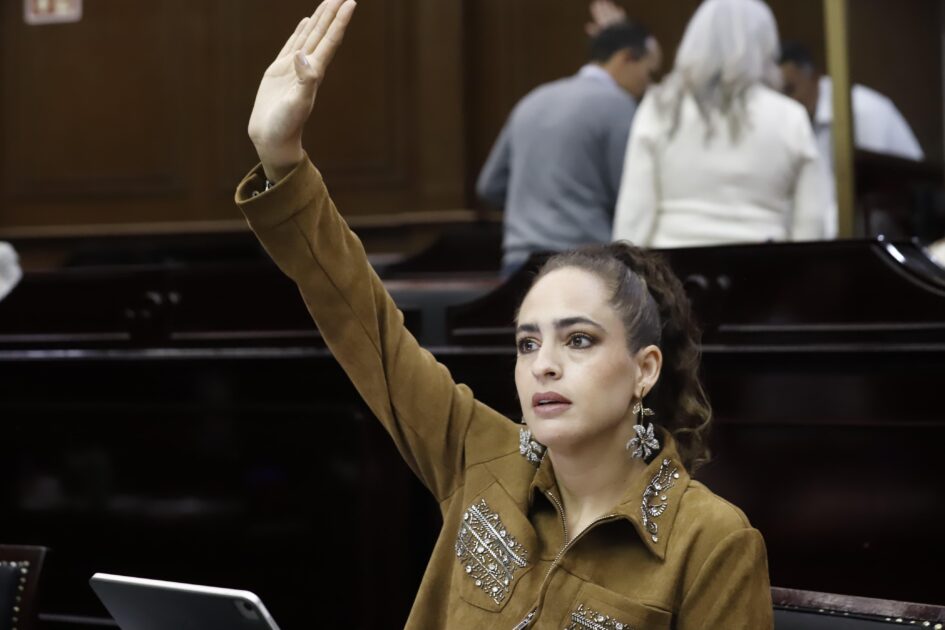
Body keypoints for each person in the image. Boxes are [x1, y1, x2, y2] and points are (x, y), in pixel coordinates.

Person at [236, 1, 773, 627]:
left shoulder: (710, 541)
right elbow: (359, 316)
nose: (543, 365)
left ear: (644, 369)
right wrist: (282, 156)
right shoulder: (481, 453)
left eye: (578, 340)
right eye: (526, 343)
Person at [612, 0, 830, 248]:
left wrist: (624, 265)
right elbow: (812, 220)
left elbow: (634, 212)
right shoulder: (790, 116)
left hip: (672, 262)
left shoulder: (659, 107)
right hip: (766, 264)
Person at [476, 21, 662, 276]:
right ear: (626, 58)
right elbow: (629, 195)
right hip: (585, 265)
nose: (648, 84)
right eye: (649, 72)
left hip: (518, 263)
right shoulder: (619, 106)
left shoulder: (532, 100)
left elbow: (489, 186)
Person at [779, 41, 925, 171]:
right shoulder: (795, 119)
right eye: (779, 95)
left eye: (790, 90)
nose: (785, 101)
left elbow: (871, 179)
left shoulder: (860, 110)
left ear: (815, 77)